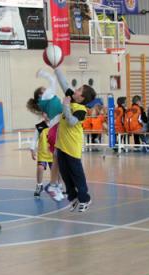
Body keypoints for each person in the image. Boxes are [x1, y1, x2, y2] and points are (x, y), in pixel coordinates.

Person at [54, 67, 96, 212]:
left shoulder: (81, 110)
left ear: (82, 97)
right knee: (65, 174)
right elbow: (64, 83)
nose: (75, 90)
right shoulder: (72, 98)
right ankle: (73, 198)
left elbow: (72, 121)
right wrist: (56, 67)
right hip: (61, 144)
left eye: (78, 90)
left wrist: (65, 106)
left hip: (72, 146)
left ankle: (85, 198)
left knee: (77, 175)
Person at [27, 69, 64, 201]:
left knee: (57, 165)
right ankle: (41, 185)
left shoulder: (49, 107)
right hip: (44, 151)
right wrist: (44, 73)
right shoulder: (47, 97)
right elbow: (53, 81)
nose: (47, 89)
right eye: (44, 89)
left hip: (54, 143)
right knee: (44, 167)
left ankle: (57, 185)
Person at [30, 114, 54, 198]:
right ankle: (39, 186)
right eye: (45, 112)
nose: (47, 114)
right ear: (42, 114)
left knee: (57, 171)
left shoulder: (56, 125)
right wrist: (32, 150)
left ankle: (58, 186)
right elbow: (34, 139)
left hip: (53, 153)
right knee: (40, 168)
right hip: (42, 153)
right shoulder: (39, 127)